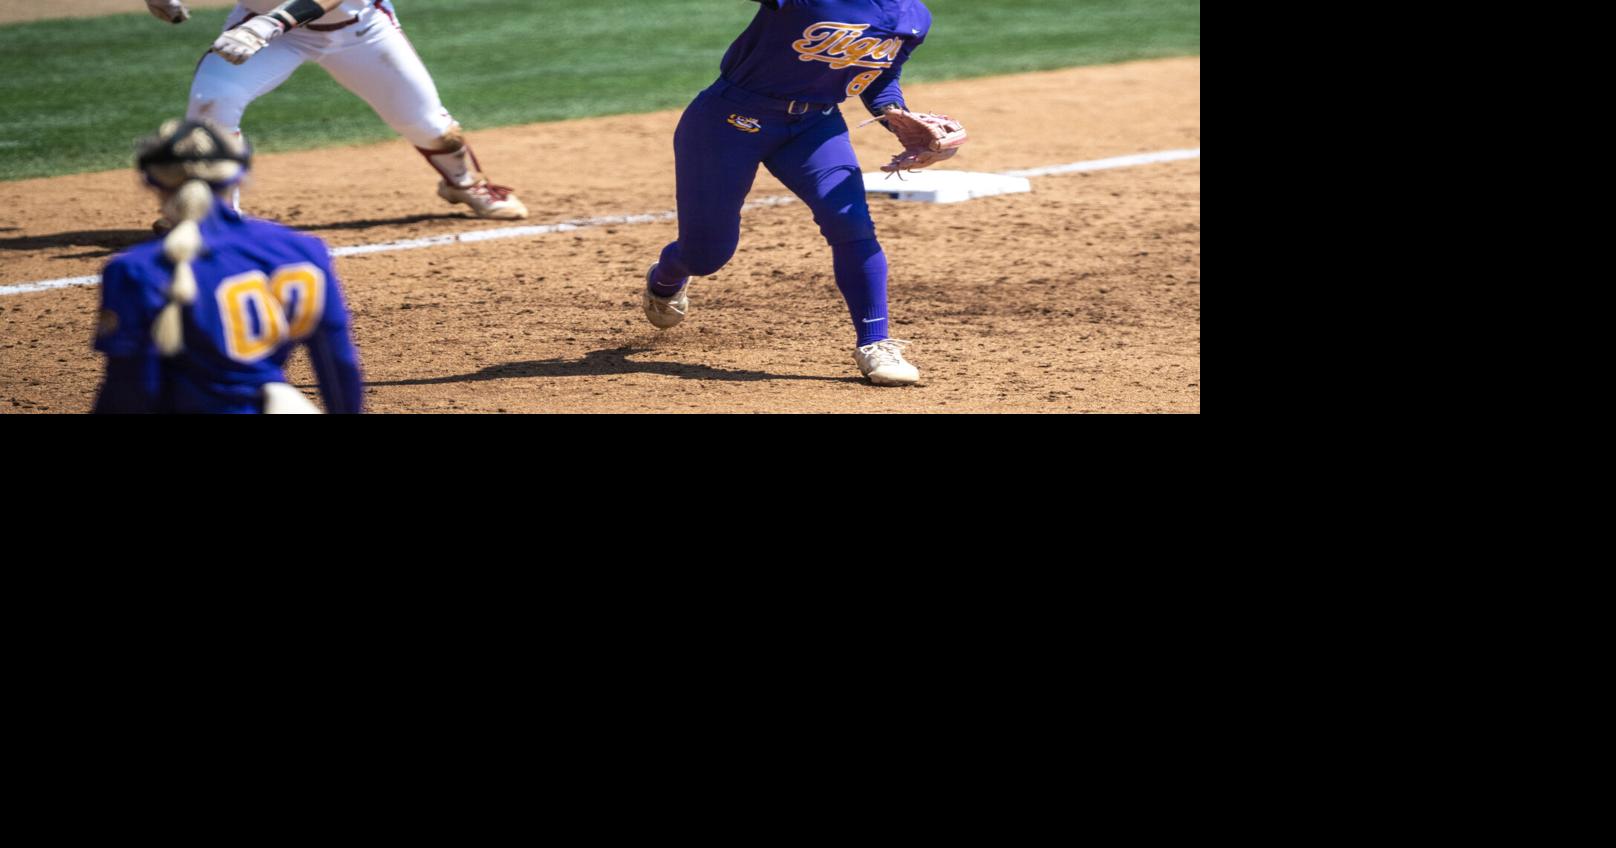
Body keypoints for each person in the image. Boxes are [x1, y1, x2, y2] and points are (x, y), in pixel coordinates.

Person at [641, 0, 966, 386]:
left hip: (815, 126)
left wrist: (894, 112)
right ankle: (666, 279)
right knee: (706, 254)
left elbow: (880, 74)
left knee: (851, 223)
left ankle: (876, 343)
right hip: (728, 123)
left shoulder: (913, 17)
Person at [145, 0, 526, 222]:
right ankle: (215, 217)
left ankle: (465, 184)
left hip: (358, 31)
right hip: (272, 32)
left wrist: (271, 22)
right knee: (213, 100)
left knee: (429, 126)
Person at [94, 119, 364, 414]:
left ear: (150, 180)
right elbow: (339, 365)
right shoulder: (303, 251)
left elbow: (131, 389)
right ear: (239, 176)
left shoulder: (137, 270)